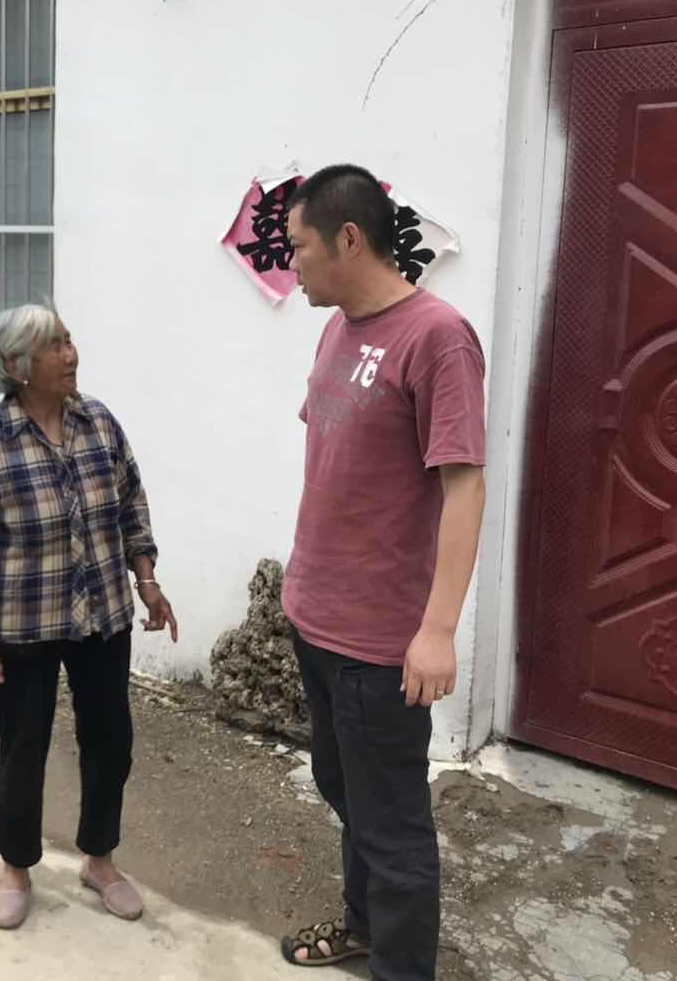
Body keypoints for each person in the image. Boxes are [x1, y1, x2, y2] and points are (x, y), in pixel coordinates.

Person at [277, 165, 487, 978]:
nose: (291, 264)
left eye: (299, 247)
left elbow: (463, 486)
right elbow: (339, 466)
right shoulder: (338, 328)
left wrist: (437, 630)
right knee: (350, 796)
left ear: (348, 240)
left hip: (380, 643)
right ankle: (364, 928)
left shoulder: (438, 338)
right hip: (317, 618)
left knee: (393, 829)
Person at [0, 304, 178, 931]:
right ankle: (16, 868)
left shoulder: (98, 422)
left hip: (102, 613)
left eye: (69, 340)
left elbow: (131, 503)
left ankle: (99, 861)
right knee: (23, 747)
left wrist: (147, 580)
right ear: (16, 365)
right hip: (22, 621)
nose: (71, 355)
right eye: (54, 346)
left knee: (110, 741)